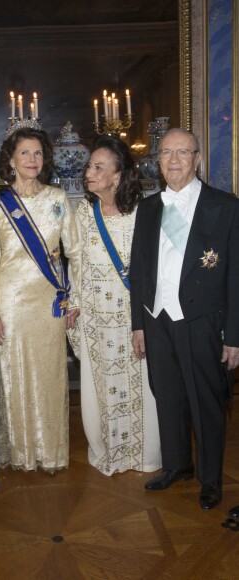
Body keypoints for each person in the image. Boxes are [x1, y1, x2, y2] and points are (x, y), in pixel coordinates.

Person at [130, 128, 239, 511]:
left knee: (206, 403)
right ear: (157, 161)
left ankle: (210, 480)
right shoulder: (148, 208)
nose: (173, 160)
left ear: (197, 159)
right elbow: (139, 271)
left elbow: (237, 276)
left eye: (183, 152)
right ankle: (177, 465)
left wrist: (235, 337)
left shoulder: (225, 207)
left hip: (201, 320)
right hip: (157, 318)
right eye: (165, 153)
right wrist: (138, 324)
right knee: (168, 396)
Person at [0, 120, 80, 472]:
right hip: (10, 302)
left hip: (49, 300)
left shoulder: (57, 198)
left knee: (52, 374)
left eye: (38, 153)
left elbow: (76, 252)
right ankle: (23, 453)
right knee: (15, 375)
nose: (32, 159)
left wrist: (75, 299)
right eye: (25, 152)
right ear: (11, 159)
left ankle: (51, 452)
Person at [67, 135, 161, 476]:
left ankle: (145, 454)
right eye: (90, 166)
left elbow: (154, 268)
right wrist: (74, 305)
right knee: (100, 386)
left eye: (98, 166)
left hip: (133, 317)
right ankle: (109, 452)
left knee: (142, 385)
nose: (89, 171)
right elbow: (74, 265)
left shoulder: (142, 213)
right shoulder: (83, 213)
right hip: (95, 319)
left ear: (118, 175)